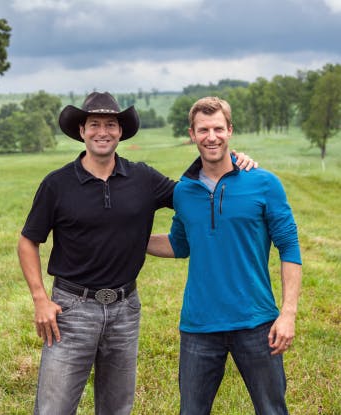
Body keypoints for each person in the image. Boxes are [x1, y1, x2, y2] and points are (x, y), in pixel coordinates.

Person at [17, 91, 256, 415]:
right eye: (95, 124)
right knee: (53, 409)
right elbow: (28, 241)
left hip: (125, 309)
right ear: (81, 131)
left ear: (120, 132)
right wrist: (40, 299)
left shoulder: (142, 178)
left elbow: (192, 193)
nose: (103, 131)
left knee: (118, 408)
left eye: (111, 124)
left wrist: (232, 160)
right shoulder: (57, 184)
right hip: (71, 311)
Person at [147, 96, 302, 415]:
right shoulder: (183, 191)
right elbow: (179, 245)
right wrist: (127, 239)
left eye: (218, 128)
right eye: (203, 129)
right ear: (192, 134)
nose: (211, 136)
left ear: (230, 130)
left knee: (272, 410)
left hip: (257, 323)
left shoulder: (264, 184)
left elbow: (289, 247)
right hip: (199, 326)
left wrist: (288, 314)